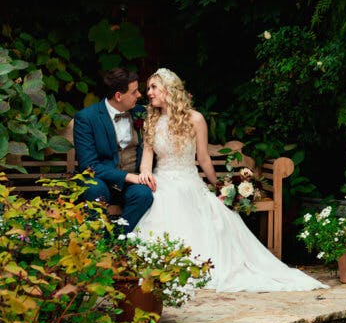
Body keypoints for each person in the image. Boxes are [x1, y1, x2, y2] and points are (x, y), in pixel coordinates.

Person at [134, 68, 327, 292]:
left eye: (153, 87)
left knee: (208, 211)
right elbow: (147, 157)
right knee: (160, 202)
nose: (149, 92)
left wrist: (218, 186)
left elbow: (204, 158)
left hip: (189, 180)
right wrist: (145, 172)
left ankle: (195, 265)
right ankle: (161, 266)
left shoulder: (195, 119)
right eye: (149, 88)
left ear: (169, 89)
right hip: (162, 180)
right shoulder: (151, 120)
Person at [73, 68, 154, 231]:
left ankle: (118, 240)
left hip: (132, 184)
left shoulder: (141, 112)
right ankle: (95, 238)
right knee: (93, 188)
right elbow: (88, 166)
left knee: (144, 195)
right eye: (134, 92)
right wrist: (128, 176)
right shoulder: (86, 118)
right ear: (118, 96)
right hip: (103, 181)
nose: (139, 95)